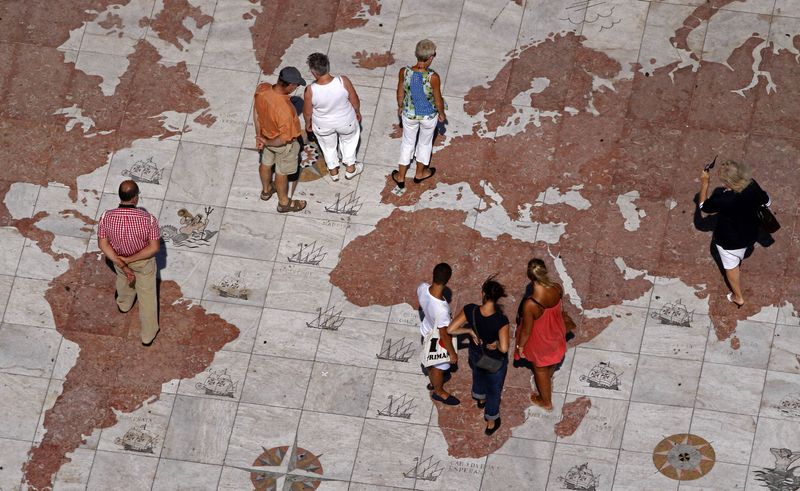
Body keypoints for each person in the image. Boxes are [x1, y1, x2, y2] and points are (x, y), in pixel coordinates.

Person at [97, 180, 161, 346]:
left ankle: (124, 304)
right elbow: (154, 248)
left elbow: (103, 244)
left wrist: (122, 263)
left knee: (124, 280)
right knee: (147, 296)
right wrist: (131, 260)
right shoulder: (149, 219)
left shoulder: (106, 216)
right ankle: (148, 334)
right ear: (135, 198)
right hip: (142, 262)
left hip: (118, 259)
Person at [699, 159, 770, 308]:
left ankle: (738, 297)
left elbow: (703, 207)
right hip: (751, 234)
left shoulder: (724, 199)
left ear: (728, 183)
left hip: (729, 241)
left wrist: (705, 182)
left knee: (731, 268)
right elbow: (767, 202)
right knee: (741, 253)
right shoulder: (751, 184)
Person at [447, 276, 510, 435]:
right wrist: (495, 342)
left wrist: (468, 330)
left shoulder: (470, 310)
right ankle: (490, 421)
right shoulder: (501, 320)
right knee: (494, 390)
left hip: (476, 353)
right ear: (497, 298)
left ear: (483, 293)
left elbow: (451, 330)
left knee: (478, 374)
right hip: (494, 360)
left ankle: (480, 399)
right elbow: (504, 348)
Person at [391, 39, 446, 190]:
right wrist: (441, 114)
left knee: (407, 143)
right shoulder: (433, 77)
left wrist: (400, 105)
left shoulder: (405, 71)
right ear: (430, 57)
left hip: (409, 114)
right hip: (428, 116)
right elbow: (438, 99)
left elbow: (400, 91)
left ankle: (400, 176)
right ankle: (420, 173)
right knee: (425, 143)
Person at [253, 66, 307, 213]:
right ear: (290, 85)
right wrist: (268, 142)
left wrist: (260, 137)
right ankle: (284, 203)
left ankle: (266, 191)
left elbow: (256, 113)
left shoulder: (262, 88)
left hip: (265, 136)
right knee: (281, 173)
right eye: (296, 85)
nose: (296, 87)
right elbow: (283, 140)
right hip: (281, 145)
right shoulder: (286, 111)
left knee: (265, 164)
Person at [515, 259, 567, 411]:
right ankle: (547, 380)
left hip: (540, 339)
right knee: (552, 359)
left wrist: (520, 346)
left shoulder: (531, 304)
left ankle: (545, 401)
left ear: (529, 276)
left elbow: (526, 330)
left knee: (540, 368)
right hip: (556, 332)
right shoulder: (557, 288)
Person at [303, 52, 363, 182]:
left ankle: (334, 172)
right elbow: (354, 99)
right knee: (349, 142)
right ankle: (350, 169)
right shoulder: (343, 81)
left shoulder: (310, 90)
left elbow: (307, 112)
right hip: (346, 121)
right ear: (328, 66)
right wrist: (357, 111)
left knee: (328, 147)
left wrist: (308, 124)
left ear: (314, 72)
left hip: (323, 125)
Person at [418, 263, 459, 405]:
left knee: (434, 367)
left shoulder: (422, 288)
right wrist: (452, 353)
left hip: (425, 330)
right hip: (435, 340)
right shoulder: (441, 310)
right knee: (437, 368)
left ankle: (434, 382)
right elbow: (444, 335)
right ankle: (438, 391)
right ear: (448, 280)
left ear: (433, 274)